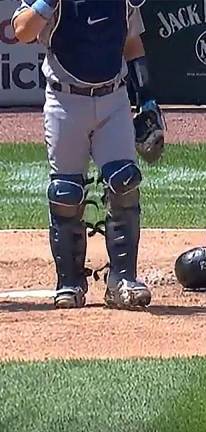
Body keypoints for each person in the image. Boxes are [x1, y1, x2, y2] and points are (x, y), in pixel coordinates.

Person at [12, 0, 165, 309]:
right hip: (65, 100)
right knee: (66, 192)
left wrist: (146, 97)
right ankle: (69, 281)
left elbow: (131, 42)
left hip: (114, 98)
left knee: (124, 182)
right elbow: (22, 31)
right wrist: (46, 5)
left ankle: (122, 280)